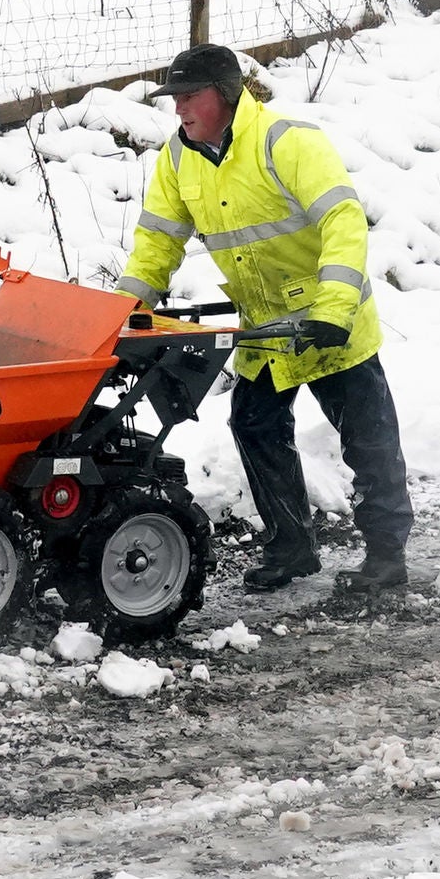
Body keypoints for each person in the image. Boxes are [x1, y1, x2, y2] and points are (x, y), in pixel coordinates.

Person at [106, 43, 411, 596]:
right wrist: (123, 314)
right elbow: (156, 245)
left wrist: (335, 308)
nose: (179, 109)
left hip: (327, 321)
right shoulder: (178, 159)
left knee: (365, 438)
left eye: (189, 96)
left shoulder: (286, 140)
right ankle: (291, 548)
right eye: (174, 99)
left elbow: (343, 221)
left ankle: (387, 554)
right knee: (255, 425)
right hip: (267, 328)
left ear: (225, 94)